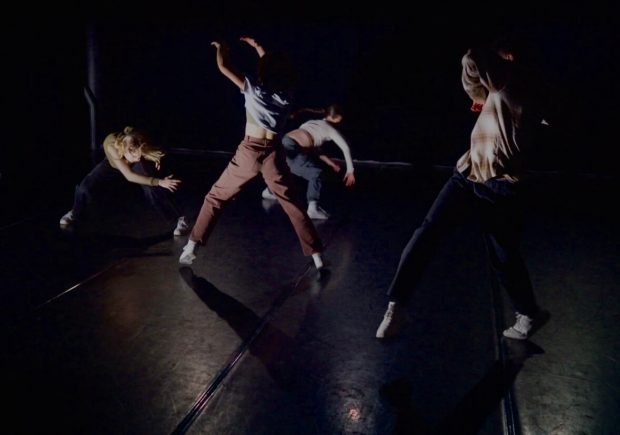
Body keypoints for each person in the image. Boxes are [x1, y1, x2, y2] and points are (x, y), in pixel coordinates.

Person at [375, 36, 550, 340]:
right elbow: (475, 78)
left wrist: (486, 69)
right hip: (467, 175)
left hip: (501, 186)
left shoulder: (513, 80)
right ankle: (397, 304)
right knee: (428, 233)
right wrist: (478, 91)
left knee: (503, 255)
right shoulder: (503, 89)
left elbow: (473, 57)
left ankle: (529, 314)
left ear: (510, 58)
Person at [179, 36, 324, 270]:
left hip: (250, 151)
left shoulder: (253, 89)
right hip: (274, 154)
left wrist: (221, 48)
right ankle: (317, 255)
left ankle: (192, 247)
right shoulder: (287, 95)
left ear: (263, 72)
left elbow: (223, 66)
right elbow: (272, 70)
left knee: (215, 198)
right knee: (293, 204)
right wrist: (259, 48)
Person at [59, 126, 189, 236]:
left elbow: (147, 148)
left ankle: (178, 219)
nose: (138, 159)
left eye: (139, 155)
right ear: (126, 151)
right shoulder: (112, 146)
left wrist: (153, 157)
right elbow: (129, 176)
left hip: (129, 160)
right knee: (85, 188)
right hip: (114, 164)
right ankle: (74, 213)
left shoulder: (136, 140)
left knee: (151, 189)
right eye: (134, 156)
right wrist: (159, 181)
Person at [260, 104, 356, 220]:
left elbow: (313, 148)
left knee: (290, 167)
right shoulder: (330, 129)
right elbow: (345, 147)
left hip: (282, 143)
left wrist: (330, 162)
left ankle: (269, 191)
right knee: (316, 173)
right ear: (337, 118)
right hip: (291, 147)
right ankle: (313, 209)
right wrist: (350, 171)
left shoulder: (312, 123)